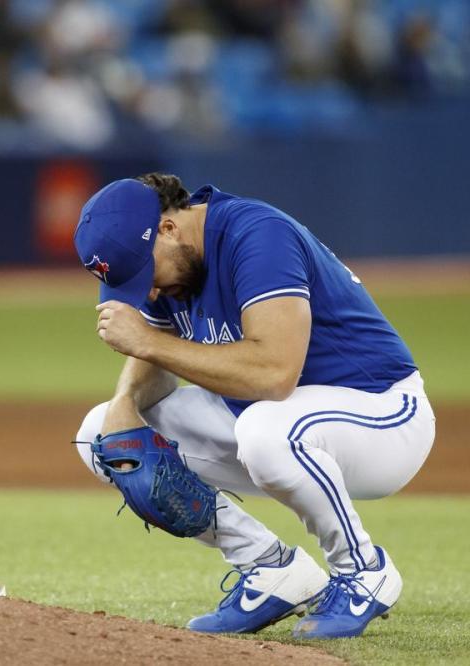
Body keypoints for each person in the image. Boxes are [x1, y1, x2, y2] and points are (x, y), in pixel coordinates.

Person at [72, 173, 435, 639]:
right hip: (280, 423)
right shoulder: (174, 268)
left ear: (167, 229)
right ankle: (271, 569)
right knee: (101, 435)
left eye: (144, 276)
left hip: (383, 417)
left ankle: (363, 571)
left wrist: (144, 341)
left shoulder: (257, 235)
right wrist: (125, 403)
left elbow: (274, 374)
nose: (148, 294)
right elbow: (160, 349)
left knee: (265, 428)